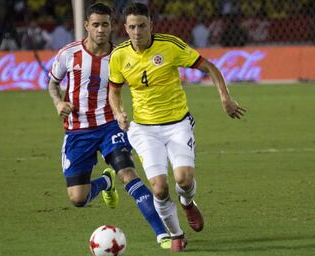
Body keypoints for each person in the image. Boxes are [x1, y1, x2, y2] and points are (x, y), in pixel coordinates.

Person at [108, 2, 246, 252]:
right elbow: (114, 91)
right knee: (159, 188)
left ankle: (187, 201)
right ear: (125, 29)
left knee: (183, 179)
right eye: (132, 27)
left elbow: (209, 67)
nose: (137, 32)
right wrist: (118, 112)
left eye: (141, 26)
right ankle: (176, 234)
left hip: (177, 124)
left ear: (151, 24)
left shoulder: (170, 45)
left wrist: (225, 97)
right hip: (144, 129)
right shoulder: (119, 55)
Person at [47, 3, 171, 250]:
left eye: (105, 24)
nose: (101, 30)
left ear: (113, 26)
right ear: (87, 26)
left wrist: (122, 113)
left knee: (128, 173)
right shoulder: (68, 54)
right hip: (77, 131)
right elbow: (53, 83)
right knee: (78, 199)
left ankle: (162, 233)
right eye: (96, 25)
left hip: (109, 126)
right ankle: (105, 182)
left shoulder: (119, 56)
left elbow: (134, 87)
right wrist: (58, 102)